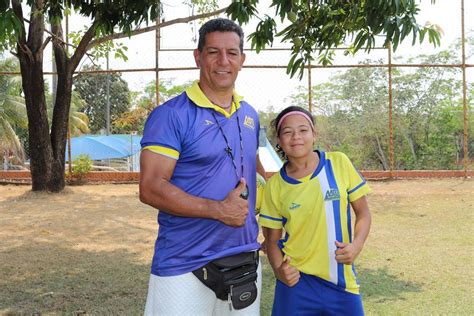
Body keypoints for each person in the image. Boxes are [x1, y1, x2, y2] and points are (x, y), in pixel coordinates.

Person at [139, 18, 264, 315]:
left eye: (232, 53)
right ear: (198, 56)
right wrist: (218, 209)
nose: (224, 61)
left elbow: (263, 170)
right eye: (213, 52)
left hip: (244, 257)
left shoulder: (250, 115)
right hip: (185, 262)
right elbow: (150, 188)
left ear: (242, 60)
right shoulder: (171, 115)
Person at [259, 106, 372, 316]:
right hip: (296, 282)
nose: (296, 137)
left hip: (341, 281)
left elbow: (363, 213)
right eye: (287, 132)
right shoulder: (275, 186)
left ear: (314, 135)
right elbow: (271, 239)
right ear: (279, 141)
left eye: (303, 130)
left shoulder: (338, 163)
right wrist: (278, 270)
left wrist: (356, 245)